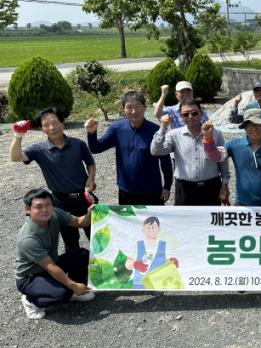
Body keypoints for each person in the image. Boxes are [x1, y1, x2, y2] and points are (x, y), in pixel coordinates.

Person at [10, 108, 96, 251]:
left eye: (55, 122)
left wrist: (91, 178)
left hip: (84, 197)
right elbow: (15, 157)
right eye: (46, 125)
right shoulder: (38, 149)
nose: (52, 127)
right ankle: (76, 264)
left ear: (62, 122)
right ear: (41, 129)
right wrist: (18, 135)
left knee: (97, 237)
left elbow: (90, 163)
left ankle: (100, 264)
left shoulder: (78, 144)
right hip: (60, 202)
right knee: (71, 242)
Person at [15, 189, 94, 320]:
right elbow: (50, 267)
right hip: (30, 277)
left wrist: (90, 214)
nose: (45, 210)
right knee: (61, 293)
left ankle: (76, 290)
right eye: (38, 207)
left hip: (51, 263)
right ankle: (30, 300)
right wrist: (72, 285)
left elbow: (79, 222)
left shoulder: (55, 214)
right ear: (28, 210)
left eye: (48, 205)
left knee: (82, 254)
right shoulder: (28, 239)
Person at [86, 91, 173, 205]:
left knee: (153, 217)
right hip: (126, 191)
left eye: (137, 106)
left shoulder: (155, 130)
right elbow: (96, 148)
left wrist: (167, 186)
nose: (134, 111)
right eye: (129, 107)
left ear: (145, 107)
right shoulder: (117, 128)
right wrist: (91, 133)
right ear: (123, 110)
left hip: (152, 191)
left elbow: (165, 161)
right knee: (128, 217)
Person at [151, 98, 230, 206]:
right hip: (184, 188)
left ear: (201, 113)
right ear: (180, 116)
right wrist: (163, 127)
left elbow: (223, 160)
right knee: (183, 217)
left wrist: (225, 184)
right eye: (185, 114)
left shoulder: (215, 133)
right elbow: (156, 151)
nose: (190, 117)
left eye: (194, 113)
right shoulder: (174, 135)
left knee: (209, 217)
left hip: (211, 187)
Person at [203, 109, 261, 207]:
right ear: (244, 127)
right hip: (242, 204)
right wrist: (208, 138)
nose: (254, 129)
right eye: (250, 125)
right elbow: (215, 156)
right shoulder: (234, 145)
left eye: (258, 124)